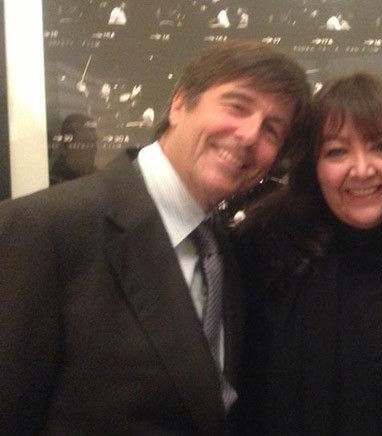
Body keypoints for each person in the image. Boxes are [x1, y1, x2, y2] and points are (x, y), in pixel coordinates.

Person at [0, 40, 311, 434]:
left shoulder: (221, 251)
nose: (250, 134)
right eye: (237, 106)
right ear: (179, 105)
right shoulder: (42, 229)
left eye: (272, 128)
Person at [234, 71, 382, 434]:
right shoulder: (263, 249)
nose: (361, 170)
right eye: (337, 151)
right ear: (313, 166)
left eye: (381, 147)